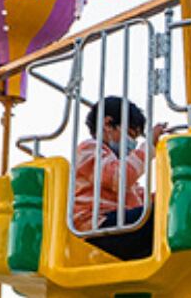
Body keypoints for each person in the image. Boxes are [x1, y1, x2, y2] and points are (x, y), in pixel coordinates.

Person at [74, 96, 167, 260]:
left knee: (166, 211)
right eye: (130, 135)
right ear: (107, 124)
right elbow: (118, 178)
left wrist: (170, 195)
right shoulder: (89, 149)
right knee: (158, 215)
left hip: (117, 225)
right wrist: (148, 147)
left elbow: (142, 199)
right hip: (97, 228)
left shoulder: (119, 165)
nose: (132, 144)